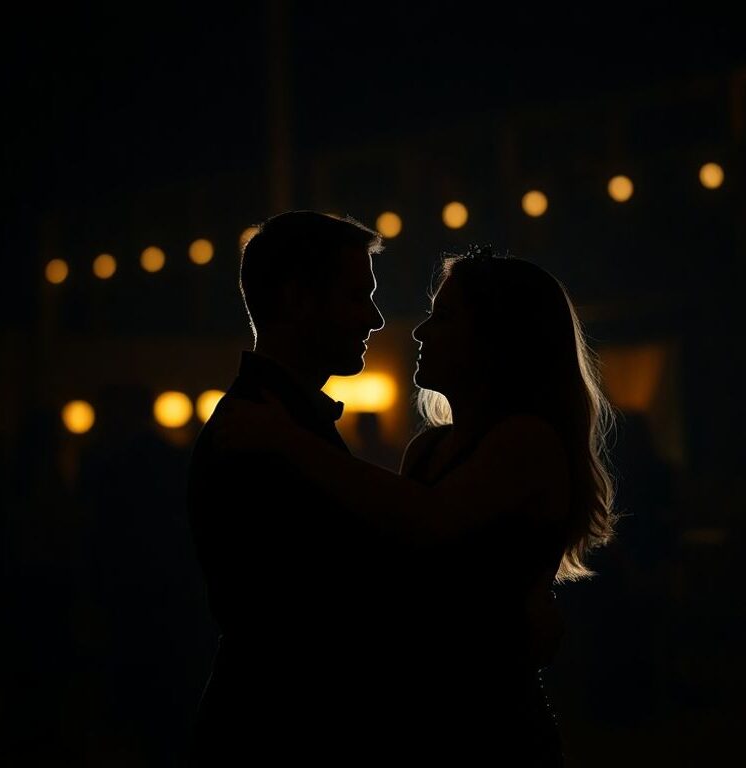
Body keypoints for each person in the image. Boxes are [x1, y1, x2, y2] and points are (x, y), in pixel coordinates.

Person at [218, 243, 618, 764]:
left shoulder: (526, 442)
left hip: (491, 723)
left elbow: (428, 521)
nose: (420, 331)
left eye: (444, 316)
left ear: (497, 339)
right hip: (431, 713)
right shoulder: (429, 448)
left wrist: (283, 440)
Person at [186, 210, 389, 762]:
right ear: (299, 300)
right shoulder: (262, 433)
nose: (375, 319)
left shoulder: (268, 420)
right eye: (356, 296)